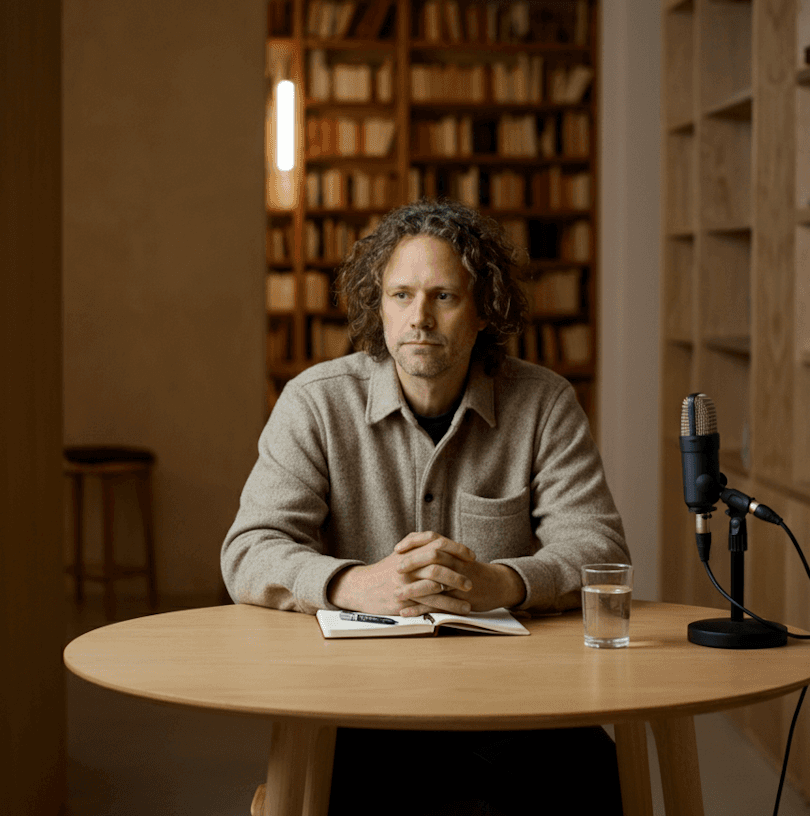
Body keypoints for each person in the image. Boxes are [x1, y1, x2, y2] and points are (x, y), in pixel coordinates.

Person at [222, 199, 629, 816]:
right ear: (377, 307)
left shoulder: (544, 403)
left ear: (484, 309)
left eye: (444, 297)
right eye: (401, 295)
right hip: (356, 706)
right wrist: (354, 583)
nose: (419, 318)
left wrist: (505, 581)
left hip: (515, 706)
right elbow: (249, 551)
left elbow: (599, 550)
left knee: (596, 773)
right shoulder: (315, 404)